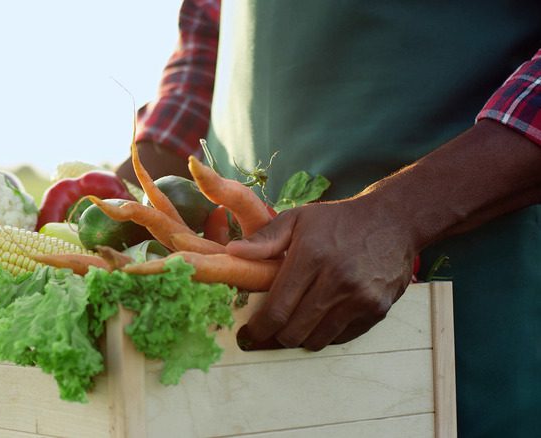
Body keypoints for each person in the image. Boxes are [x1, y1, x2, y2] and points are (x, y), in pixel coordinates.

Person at [116, 1, 541, 436]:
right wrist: (120, 199)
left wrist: (397, 215)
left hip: (466, 284)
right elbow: (209, 33)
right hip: (240, 299)